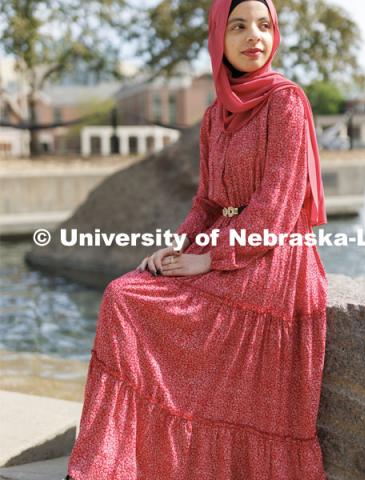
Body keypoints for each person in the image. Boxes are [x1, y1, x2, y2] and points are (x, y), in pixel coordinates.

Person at [64, 0, 328, 478]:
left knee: (131, 302)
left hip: (273, 254)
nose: (255, 37)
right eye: (240, 26)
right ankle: (111, 465)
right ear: (218, 38)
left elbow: (278, 203)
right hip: (224, 246)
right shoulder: (214, 116)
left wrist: (212, 259)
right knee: (123, 294)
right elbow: (207, 205)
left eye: (265, 26)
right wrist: (178, 247)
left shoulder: (285, 101)